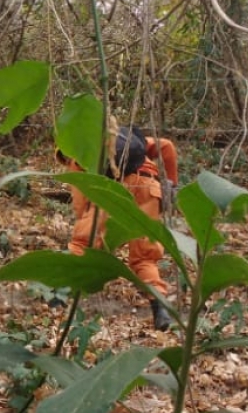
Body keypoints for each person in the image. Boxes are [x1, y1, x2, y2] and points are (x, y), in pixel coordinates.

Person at [56, 126, 179, 330]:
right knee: (145, 257)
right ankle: (160, 309)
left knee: (82, 244)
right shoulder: (121, 139)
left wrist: (88, 223)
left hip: (114, 190)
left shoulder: (78, 156)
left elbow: (80, 205)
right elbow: (167, 146)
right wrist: (172, 186)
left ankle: (57, 295)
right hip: (149, 186)